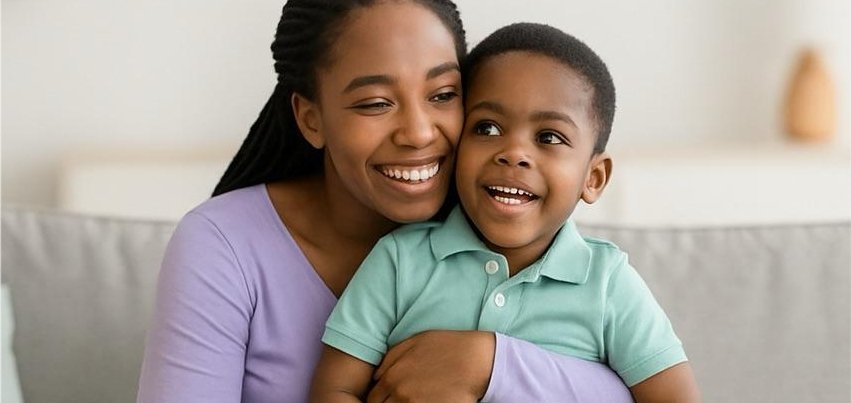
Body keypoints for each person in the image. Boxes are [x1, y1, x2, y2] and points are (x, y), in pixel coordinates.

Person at [137, 1, 633, 402]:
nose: (419, 133)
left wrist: (490, 365)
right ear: (312, 119)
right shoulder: (223, 245)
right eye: (376, 103)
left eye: (442, 94)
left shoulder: (506, 225)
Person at [310, 22, 702, 402]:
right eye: (487, 128)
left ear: (594, 178)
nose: (513, 153)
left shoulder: (608, 284)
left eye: (549, 137)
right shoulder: (399, 260)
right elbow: (335, 389)